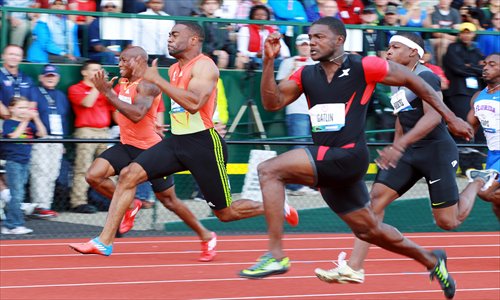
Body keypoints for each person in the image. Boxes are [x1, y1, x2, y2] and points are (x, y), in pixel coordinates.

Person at [238, 17, 473, 300]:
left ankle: (276, 255)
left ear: (339, 41)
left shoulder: (365, 66)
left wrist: (452, 117)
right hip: (329, 162)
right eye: (310, 37)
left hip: (349, 154)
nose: (312, 42)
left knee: (269, 170)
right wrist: (267, 62)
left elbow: (416, 81)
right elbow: (272, 103)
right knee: (371, 230)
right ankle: (433, 261)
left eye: (319, 37)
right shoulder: (305, 75)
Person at [67, 22, 298, 257]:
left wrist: (158, 81)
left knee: (225, 214)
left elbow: (194, 104)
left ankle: (275, 206)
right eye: (169, 35)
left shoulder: (205, 66)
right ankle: (104, 241)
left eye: (175, 35)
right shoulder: (175, 69)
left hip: (203, 144)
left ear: (193, 40)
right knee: (128, 175)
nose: (169, 39)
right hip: (176, 141)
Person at [313, 32, 499, 285]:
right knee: (373, 204)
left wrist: (399, 145)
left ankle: (477, 181)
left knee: (448, 221)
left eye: (395, 47)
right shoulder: (399, 80)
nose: (388, 52)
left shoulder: (427, 76)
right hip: (409, 152)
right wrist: (395, 145)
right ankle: (354, 268)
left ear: (413, 52)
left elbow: (433, 117)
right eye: (388, 47)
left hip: (436, 151)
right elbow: (403, 116)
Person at [69, 46, 218, 261]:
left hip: (150, 151)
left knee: (169, 201)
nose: (119, 64)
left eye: (123, 60)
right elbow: (122, 110)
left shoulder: (148, 84)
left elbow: (137, 114)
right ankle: (131, 205)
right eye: (118, 60)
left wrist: (107, 93)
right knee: (94, 175)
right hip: (127, 145)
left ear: (138, 61)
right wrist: (111, 95)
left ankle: (206, 236)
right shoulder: (122, 82)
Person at [68, 61, 115, 214]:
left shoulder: (103, 90)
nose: (98, 72)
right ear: (84, 73)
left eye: (100, 70)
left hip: (104, 132)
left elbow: (115, 107)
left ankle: (110, 200)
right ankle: (78, 202)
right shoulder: (76, 88)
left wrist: (107, 89)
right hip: (86, 131)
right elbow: (87, 103)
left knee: (108, 169)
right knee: (83, 168)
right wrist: (98, 85)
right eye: (94, 70)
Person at [276, 34, 318, 196]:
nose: (305, 47)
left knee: (314, 149)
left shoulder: (317, 62)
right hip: (296, 110)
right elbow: (281, 87)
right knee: (299, 148)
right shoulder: (288, 62)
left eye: (308, 44)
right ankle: (295, 185)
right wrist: (294, 69)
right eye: (302, 44)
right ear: (298, 46)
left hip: (316, 111)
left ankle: (309, 184)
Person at [29, 64, 72, 218]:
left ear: (57, 78)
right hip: (41, 137)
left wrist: (63, 142)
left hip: (57, 138)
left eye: (53, 76)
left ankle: (46, 205)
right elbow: (30, 113)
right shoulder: (34, 91)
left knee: (52, 173)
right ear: (41, 77)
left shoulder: (61, 95)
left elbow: (64, 119)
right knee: (40, 172)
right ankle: (39, 206)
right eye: (47, 76)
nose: (50, 79)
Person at [1, 96, 47, 235]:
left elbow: (42, 134)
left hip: (24, 162)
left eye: (26, 108)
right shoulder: (9, 122)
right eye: (20, 108)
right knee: (17, 194)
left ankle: (12, 223)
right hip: (13, 162)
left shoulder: (29, 124)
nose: (24, 111)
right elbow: (13, 136)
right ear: (11, 109)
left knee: (19, 194)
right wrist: (26, 120)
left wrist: (36, 118)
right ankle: (12, 224)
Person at [466, 53, 500, 220]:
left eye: (492, 64)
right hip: (493, 154)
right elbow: (469, 128)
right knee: (496, 204)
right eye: (485, 64)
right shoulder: (478, 96)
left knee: (485, 192)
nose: (486, 67)